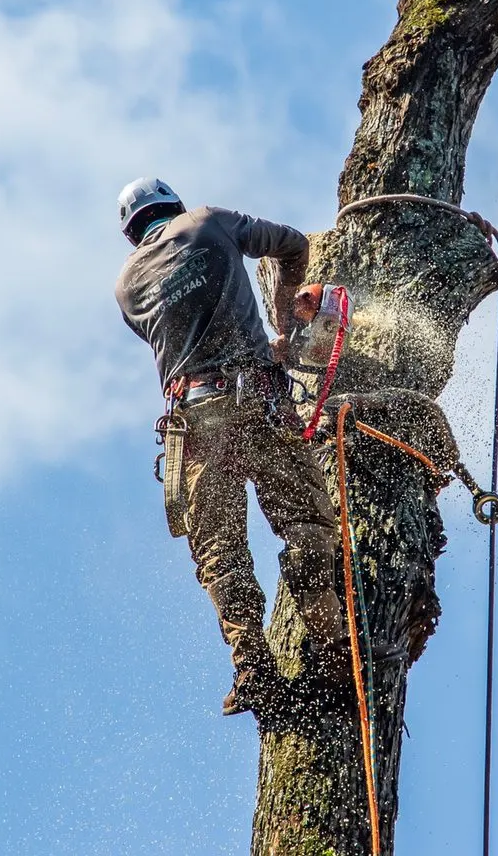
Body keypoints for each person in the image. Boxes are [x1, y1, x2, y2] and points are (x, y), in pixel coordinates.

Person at [114, 176, 344, 716]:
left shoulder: (126, 285)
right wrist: (285, 328)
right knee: (307, 523)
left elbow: (182, 330)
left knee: (222, 558)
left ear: (131, 232)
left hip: (191, 428)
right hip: (255, 402)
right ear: (172, 204)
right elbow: (293, 245)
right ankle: (334, 649)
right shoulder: (207, 221)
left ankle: (253, 669)